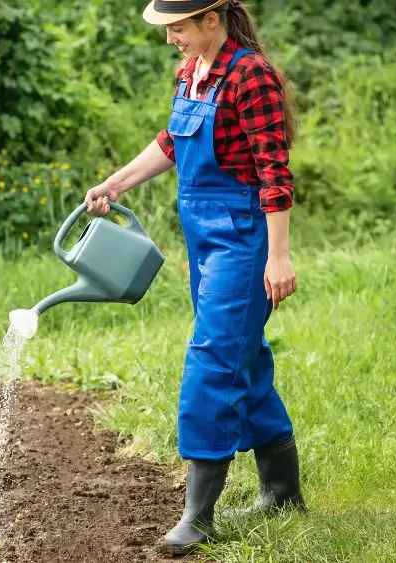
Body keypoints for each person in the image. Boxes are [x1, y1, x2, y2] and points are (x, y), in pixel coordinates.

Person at [83, 0, 306, 556]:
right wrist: (116, 184)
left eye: (176, 28)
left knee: (212, 359)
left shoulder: (251, 75)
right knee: (241, 356)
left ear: (212, 19)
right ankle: (282, 493)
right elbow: (171, 142)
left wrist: (278, 257)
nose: (170, 40)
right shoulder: (193, 72)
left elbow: (274, 169)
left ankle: (198, 515)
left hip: (244, 237)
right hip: (205, 239)